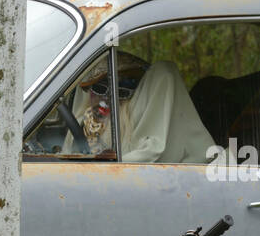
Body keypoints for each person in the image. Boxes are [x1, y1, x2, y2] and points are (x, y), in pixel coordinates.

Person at [66, 52, 216, 163]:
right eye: (98, 89)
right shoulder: (88, 119)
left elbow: (152, 154)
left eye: (122, 92)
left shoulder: (146, 126)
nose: (106, 98)